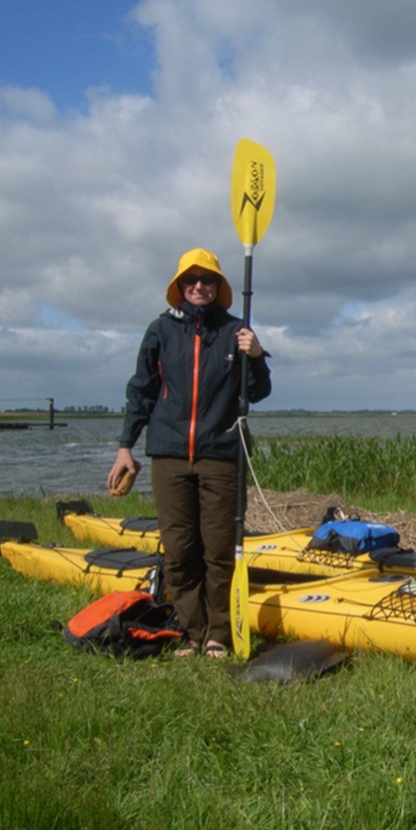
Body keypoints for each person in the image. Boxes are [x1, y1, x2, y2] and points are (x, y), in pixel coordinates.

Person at [108, 247, 271, 658]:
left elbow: (258, 392)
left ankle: (218, 632)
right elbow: (141, 391)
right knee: (180, 549)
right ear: (180, 286)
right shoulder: (160, 331)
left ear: (219, 287)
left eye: (208, 280)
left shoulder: (237, 332)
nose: (200, 286)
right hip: (170, 454)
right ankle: (190, 630)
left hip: (220, 454)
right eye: (191, 280)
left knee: (219, 549)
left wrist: (256, 356)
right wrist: (125, 446)